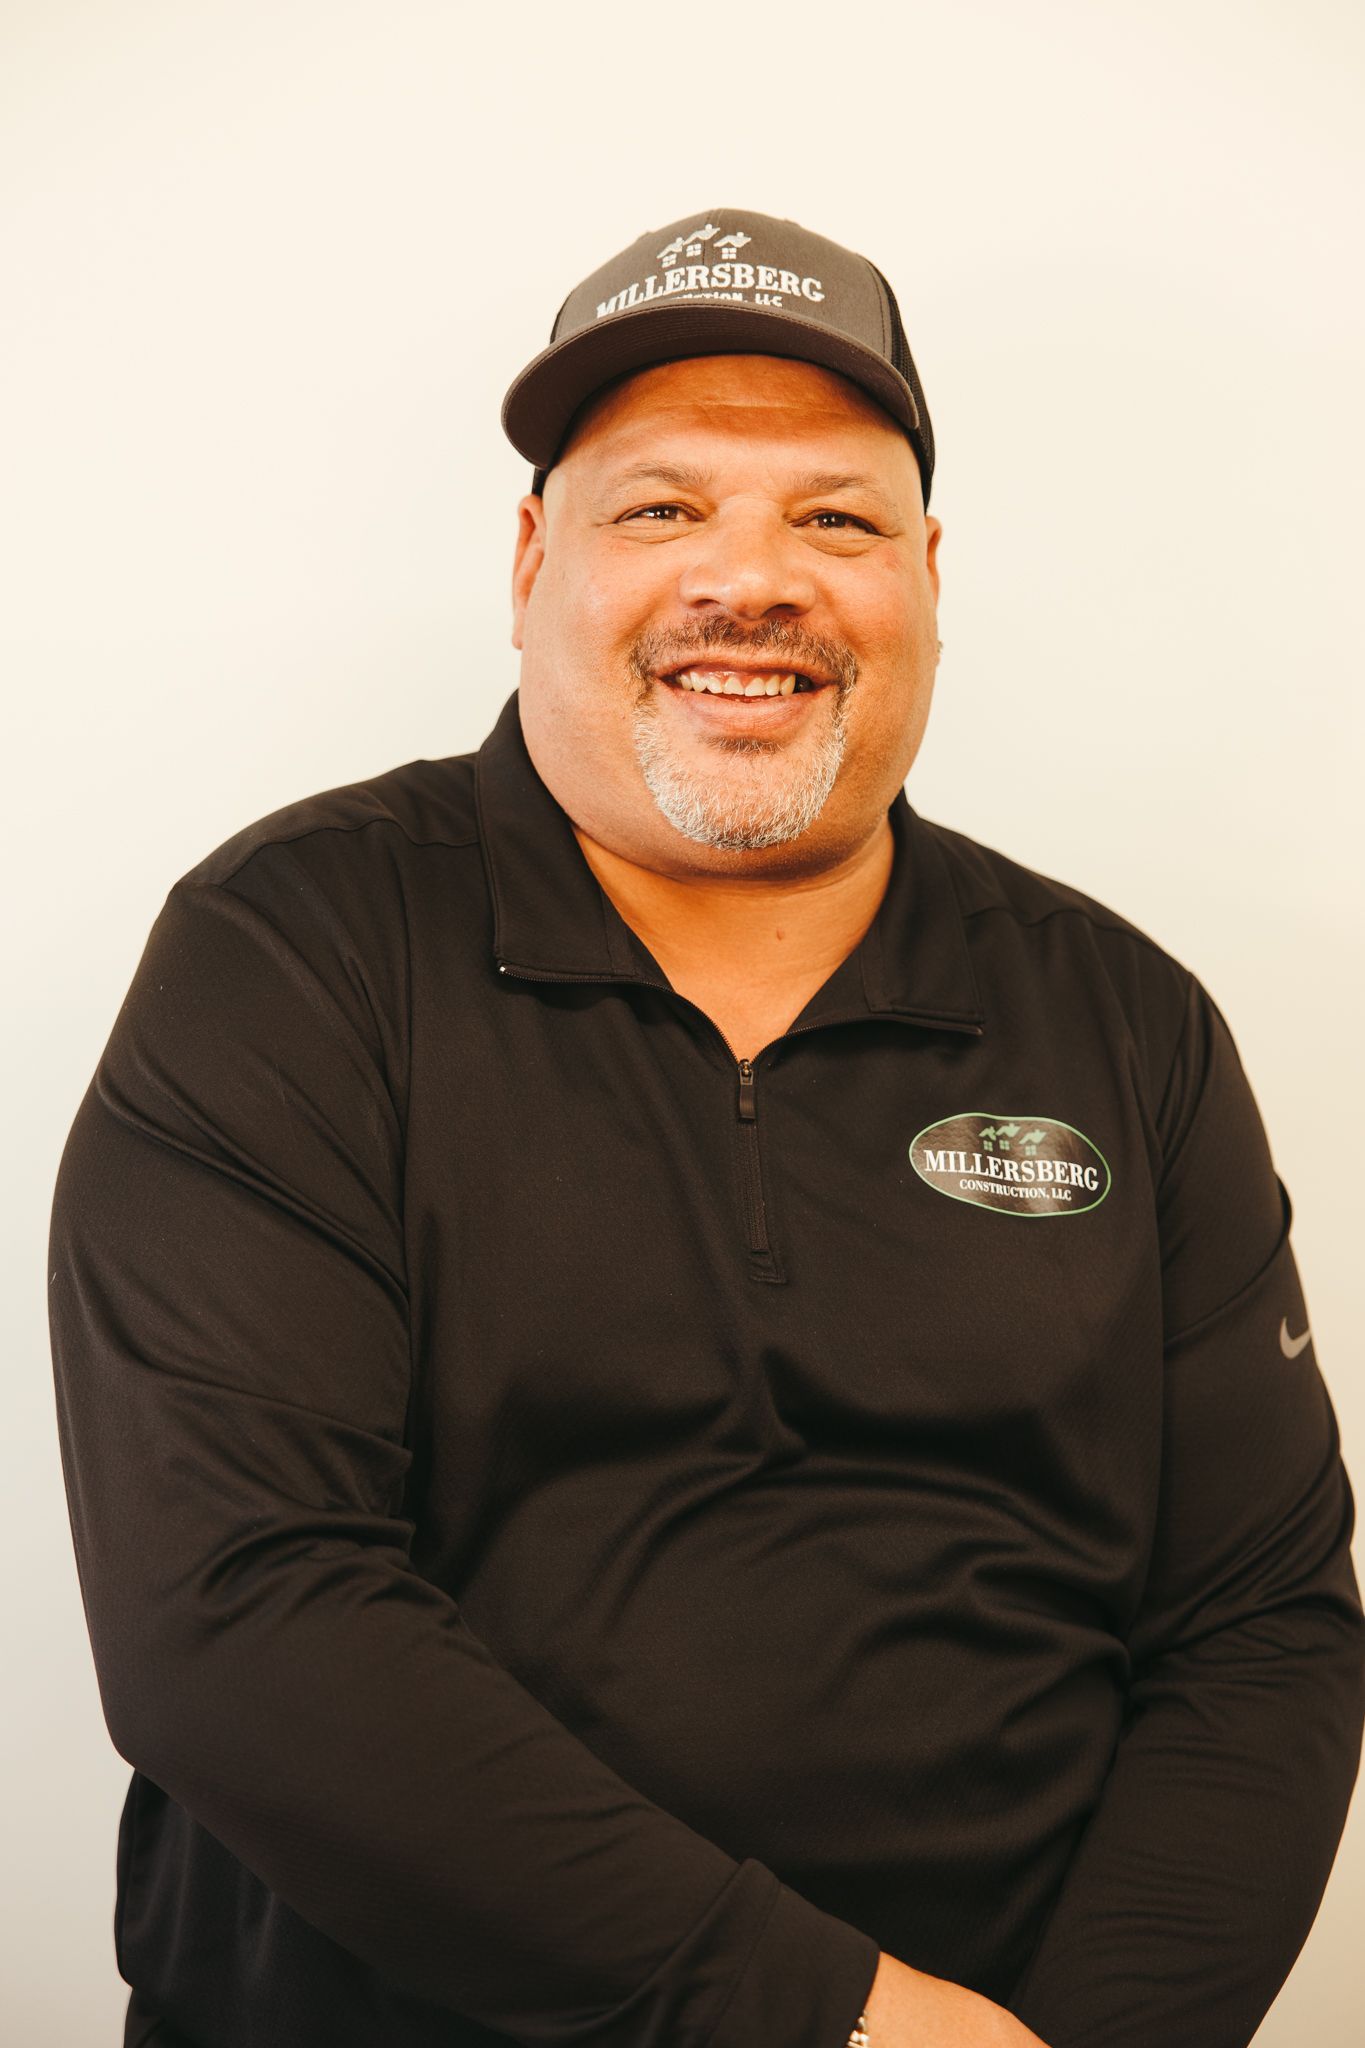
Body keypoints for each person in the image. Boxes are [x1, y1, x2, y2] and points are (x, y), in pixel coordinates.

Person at [48, 208, 1363, 2048]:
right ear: (530, 560)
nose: (750, 579)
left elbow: (1259, 1631)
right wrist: (841, 2025)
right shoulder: (295, 950)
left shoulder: (1123, 1021)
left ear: (925, 571)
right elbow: (238, 1621)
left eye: (834, 517)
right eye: (660, 508)